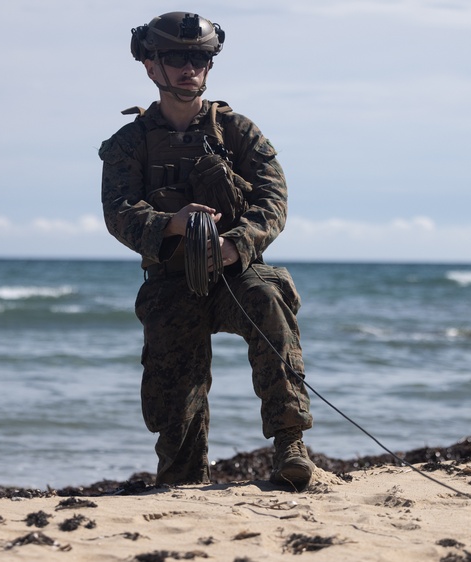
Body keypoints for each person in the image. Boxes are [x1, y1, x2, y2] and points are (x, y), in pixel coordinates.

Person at [98, 12, 315, 490]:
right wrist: (169, 223)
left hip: (236, 274)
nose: (188, 68)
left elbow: (273, 204)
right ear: (151, 65)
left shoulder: (238, 131)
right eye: (176, 57)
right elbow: (118, 213)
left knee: (270, 300)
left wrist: (236, 246)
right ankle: (183, 475)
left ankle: (290, 446)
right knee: (174, 400)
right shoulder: (128, 144)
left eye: (199, 57)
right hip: (172, 280)